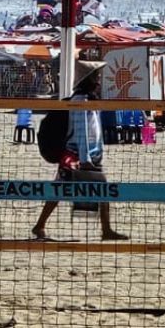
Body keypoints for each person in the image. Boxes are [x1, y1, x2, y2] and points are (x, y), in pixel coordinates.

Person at [32, 60, 127, 241]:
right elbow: (81, 131)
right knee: (68, 189)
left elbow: (93, 131)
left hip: (87, 156)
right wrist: (86, 160)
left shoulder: (89, 100)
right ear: (88, 80)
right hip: (77, 157)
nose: (99, 80)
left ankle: (40, 225)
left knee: (62, 189)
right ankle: (40, 225)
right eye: (96, 77)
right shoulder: (80, 101)